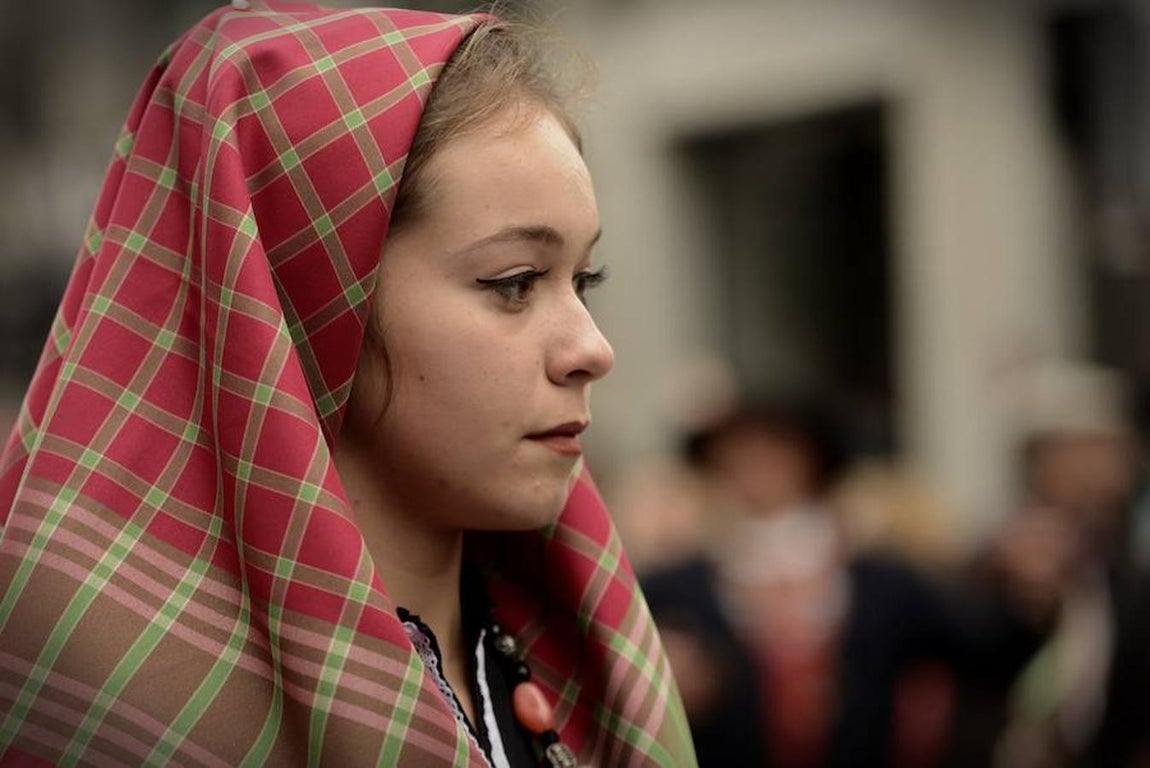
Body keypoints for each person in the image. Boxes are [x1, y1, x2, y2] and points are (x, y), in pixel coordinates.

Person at [0, 3, 696, 766]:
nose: (593, 349)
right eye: (515, 281)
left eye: (585, 279)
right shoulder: (126, 715)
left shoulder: (587, 674)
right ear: (309, 302)